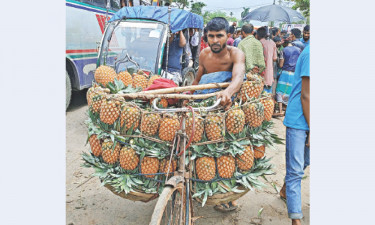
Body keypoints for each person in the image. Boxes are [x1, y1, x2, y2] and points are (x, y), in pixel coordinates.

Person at [280, 44, 310, 225]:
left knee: (304, 161)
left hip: (309, 117)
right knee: (296, 170)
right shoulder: (311, 54)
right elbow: (305, 95)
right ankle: (296, 219)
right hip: (299, 120)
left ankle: (285, 190)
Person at [275, 37, 301, 116]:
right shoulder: (299, 50)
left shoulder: (284, 50)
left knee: (280, 91)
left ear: (285, 43)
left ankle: (280, 110)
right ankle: (286, 110)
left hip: (285, 73)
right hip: (294, 74)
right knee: (290, 91)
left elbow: (281, 64)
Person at [256, 26, 277, 93]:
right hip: (269, 73)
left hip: (259, 72)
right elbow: (275, 58)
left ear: (258, 35)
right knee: (268, 96)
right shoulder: (272, 43)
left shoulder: (258, 43)